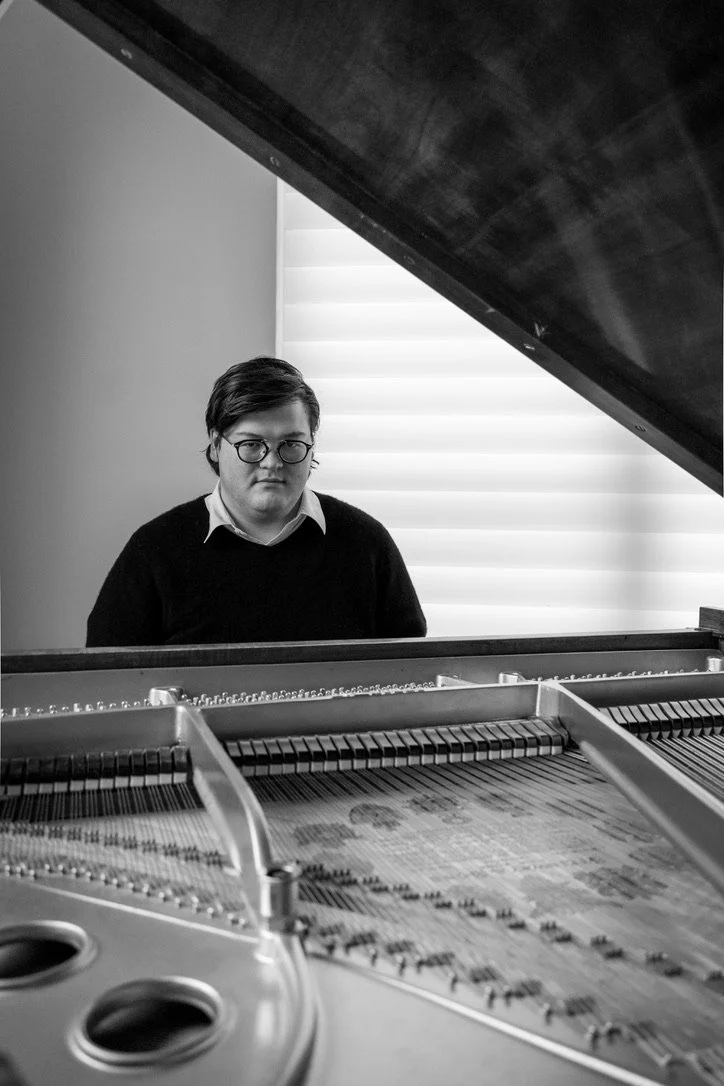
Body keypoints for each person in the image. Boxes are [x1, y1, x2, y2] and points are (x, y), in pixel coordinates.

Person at [86, 357, 427, 645]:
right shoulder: (154, 550)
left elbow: (412, 677)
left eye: (292, 444)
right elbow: (107, 684)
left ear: (312, 448)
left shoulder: (367, 544)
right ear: (217, 446)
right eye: (251, 444)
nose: (272, 462)